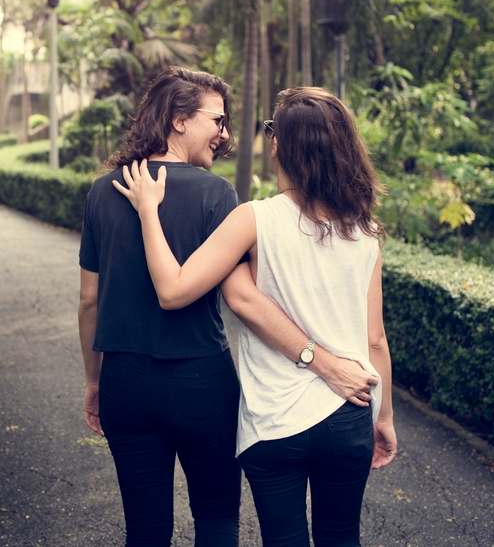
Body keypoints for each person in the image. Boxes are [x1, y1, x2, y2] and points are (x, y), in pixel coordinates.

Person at [78, 69, 380, 546]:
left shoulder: (102, 190)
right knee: (217, 516)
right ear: (179, 120)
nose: (223, 134)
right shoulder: (217, 195)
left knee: (144, 525)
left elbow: (89, 299)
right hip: (202, 381)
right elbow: (240, 293)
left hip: (125, 379)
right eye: (216, 120)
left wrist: (94, 380)